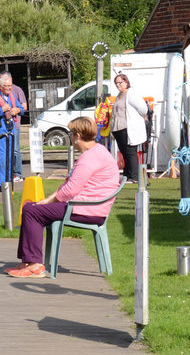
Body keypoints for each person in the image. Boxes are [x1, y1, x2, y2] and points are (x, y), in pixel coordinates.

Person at [8, 116, 121, 278]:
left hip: (85, 209)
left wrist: (48, 202)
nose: (71, 138)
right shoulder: (98, 151)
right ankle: (28, 261)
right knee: (31, 207)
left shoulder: (89, 158)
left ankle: (34, 264)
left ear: (78, 136)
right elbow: (69, 185)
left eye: (71, 134)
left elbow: (70, 190)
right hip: (87, 206)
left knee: (32, 211)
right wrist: (47, 201)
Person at [110, 73, 150, 183]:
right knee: (124, 153)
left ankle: (134, 176)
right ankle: (127, 175)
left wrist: (141, 117)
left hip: (128, 128)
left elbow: (143, 108)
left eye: (120, 82)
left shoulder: (131, 94)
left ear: (126, 82)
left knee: (130, 152)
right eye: (116, 83)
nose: (118, 85)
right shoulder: (119, 95)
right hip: (118, 128)